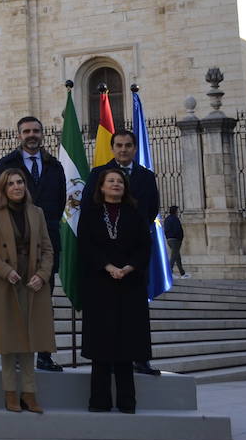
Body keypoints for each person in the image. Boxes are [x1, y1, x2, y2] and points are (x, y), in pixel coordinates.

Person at [0, 116, 65, 372]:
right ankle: (19, 353)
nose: (32, 135)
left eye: (36, 131)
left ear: (42, 134)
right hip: (13, 249)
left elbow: (60, 202)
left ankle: (44, 354)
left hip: (45, 244)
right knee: (15, 304)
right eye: (26, 131)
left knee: (43, 302)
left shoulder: (55, 166)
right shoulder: (5, 164)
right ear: (18, 135)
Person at [85, 129, 162, 376]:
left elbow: (152, 209)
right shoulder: (99, 174)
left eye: (128, 145)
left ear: (135, 148)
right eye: (118, 145)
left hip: (133, 255)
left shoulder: (146, 176)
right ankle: (107, 358)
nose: (123, 149)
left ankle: (141, 358)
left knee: (135, 313)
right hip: (105, 257)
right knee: (106, 315)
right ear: (112, 148)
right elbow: (88, 207)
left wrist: (133, 232)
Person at [0, 168, 55, 413]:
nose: (16, 187)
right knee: (9, 341)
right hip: (7, 282)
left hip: (32, 281)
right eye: (11, 183)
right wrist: (5, 271)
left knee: (31, 338)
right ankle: (10, 392)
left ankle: (30, 394)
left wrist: (42, 275)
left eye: (20, 182)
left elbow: (48, 249)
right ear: (3, 188)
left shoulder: (37, 212)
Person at [79, 169, 152, 414]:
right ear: (101, 187)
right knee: (101, 344)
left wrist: (129, 267)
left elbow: (145, 247)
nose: (115, 184)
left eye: (120, 181)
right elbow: (86, 246)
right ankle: (99, 400)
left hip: (130, 285)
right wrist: (108, 267)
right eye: (110, 181)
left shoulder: (135, 213)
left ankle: (127, 401)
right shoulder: (90, 214)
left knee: (127, 344)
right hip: (99, 284)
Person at [164, 206, 188, 278]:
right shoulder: (175, 219)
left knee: (177, 257)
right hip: (175, 240)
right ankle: (169, 272)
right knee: (174, 256)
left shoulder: (167, 219)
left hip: (169, 239)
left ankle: (182, 273)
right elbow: (178, 229)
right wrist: (180, 237)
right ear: (175, 211)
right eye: (177, 211)